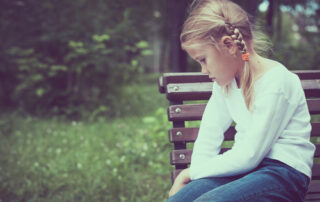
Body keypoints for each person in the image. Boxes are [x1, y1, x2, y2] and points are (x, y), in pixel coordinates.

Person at [166, 0, 316, 201]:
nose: (203, 70)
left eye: (203, 59)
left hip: (283, 173)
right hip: (244, 171)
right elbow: (210, 135)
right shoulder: (224, 84)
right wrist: (196, 178)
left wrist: (189, 173)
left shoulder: (277, 81)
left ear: (228, 45)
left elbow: (250, 155)